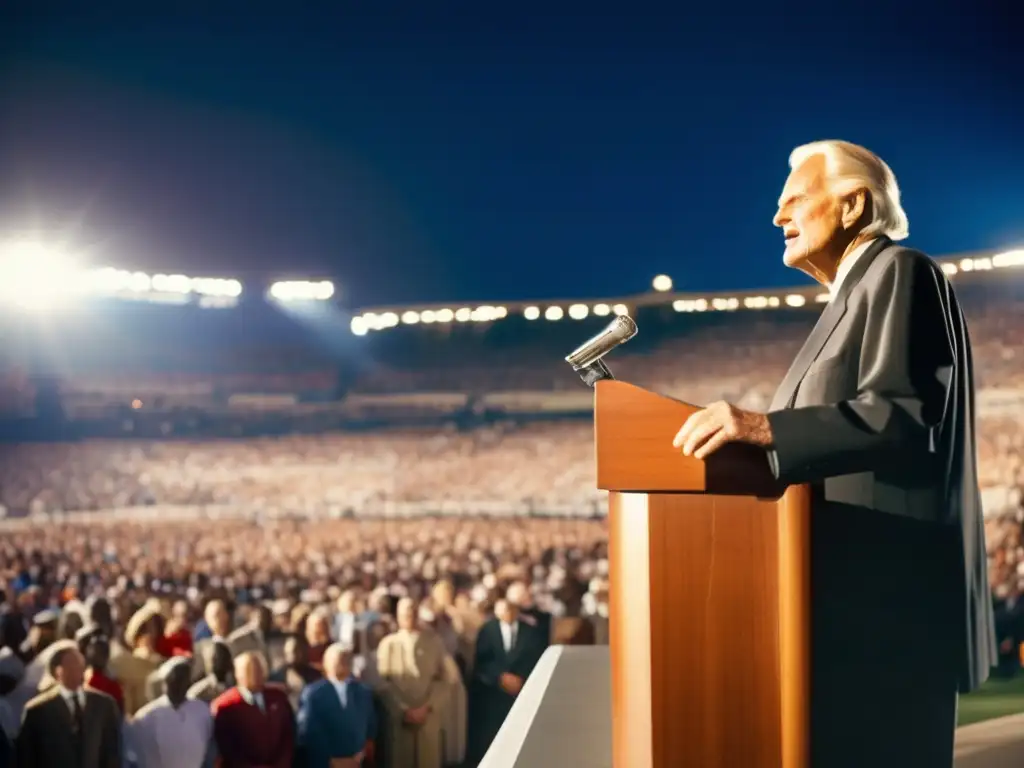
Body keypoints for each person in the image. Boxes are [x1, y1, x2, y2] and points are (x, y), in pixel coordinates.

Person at [672, 139, 996, 767]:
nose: (777, 218)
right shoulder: (851, 298)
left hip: (886, 614)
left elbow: (901, 416)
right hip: (847, 613)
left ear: (852, 205)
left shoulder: (900, 273)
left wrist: (765, 429)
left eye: (794, 199)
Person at [15, 640, 121, 768]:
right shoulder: (37, 711)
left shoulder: (103, 705)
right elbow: (26, 759)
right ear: (58, 671)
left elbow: (112, 754)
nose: (79, 668)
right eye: (72, 664)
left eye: (80, 663)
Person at [467, 598, 545, 763]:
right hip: (494, 694)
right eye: (503, 610)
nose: (507, 613)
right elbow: (482, 661)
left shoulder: (530, 632)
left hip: (522, 693)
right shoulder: (487, 631)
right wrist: (500, 677)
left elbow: (536, 659)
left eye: (510, 609)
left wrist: (521, 680)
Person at [375, 598, 448, 768]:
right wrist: (403, 709)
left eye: (413, 612)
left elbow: (445, 681)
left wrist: (428, 706)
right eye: (405, 613)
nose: (409, 617)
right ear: (398, 617)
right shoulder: (388, 644)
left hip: (428, 717)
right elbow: (383, 683)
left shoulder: (434, 642)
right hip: (399, 720)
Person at [297, 644, 376, 768]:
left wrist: (359, 757)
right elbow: (308, 733)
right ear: (326, 664)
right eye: (337, 659)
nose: (342, 662)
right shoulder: (313, 694)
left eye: (346, 659)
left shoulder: (362, 692)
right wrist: (331, 761)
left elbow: (370, 729)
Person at [211, 650, 294, 768]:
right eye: (249, 670)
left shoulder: (278, 697)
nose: (255, 674)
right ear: (237, 674)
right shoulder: (225, 706)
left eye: (259, 669)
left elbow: (288, 736)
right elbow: (227, 749)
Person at [128, 657, 214, 768]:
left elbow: (209, 751)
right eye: (173, 680)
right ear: (165, 682)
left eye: (182, 680)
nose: (177, 685)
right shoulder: (146, 716)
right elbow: (133, 755)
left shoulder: (202, 711)